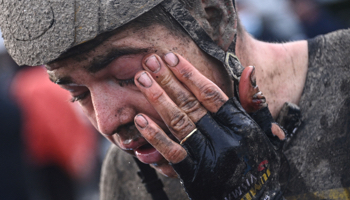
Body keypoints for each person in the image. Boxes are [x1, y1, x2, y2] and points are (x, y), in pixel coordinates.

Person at [0, 0, 349, 199]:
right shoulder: (128, 178)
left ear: (215, 18)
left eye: (128, 75)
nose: (107, 122)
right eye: (78, 94)